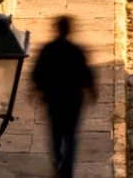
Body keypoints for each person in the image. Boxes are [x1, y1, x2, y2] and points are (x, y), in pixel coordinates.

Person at [32, 15, 97, 178]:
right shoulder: (76, 51)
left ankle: (57, 160)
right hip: (73, 102)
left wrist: (36, 90)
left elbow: (37, 74)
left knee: (56, 134)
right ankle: (66, 171)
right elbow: (86, 75)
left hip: (54, 100)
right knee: (71, 137)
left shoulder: (48, 50)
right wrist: (92, 91)